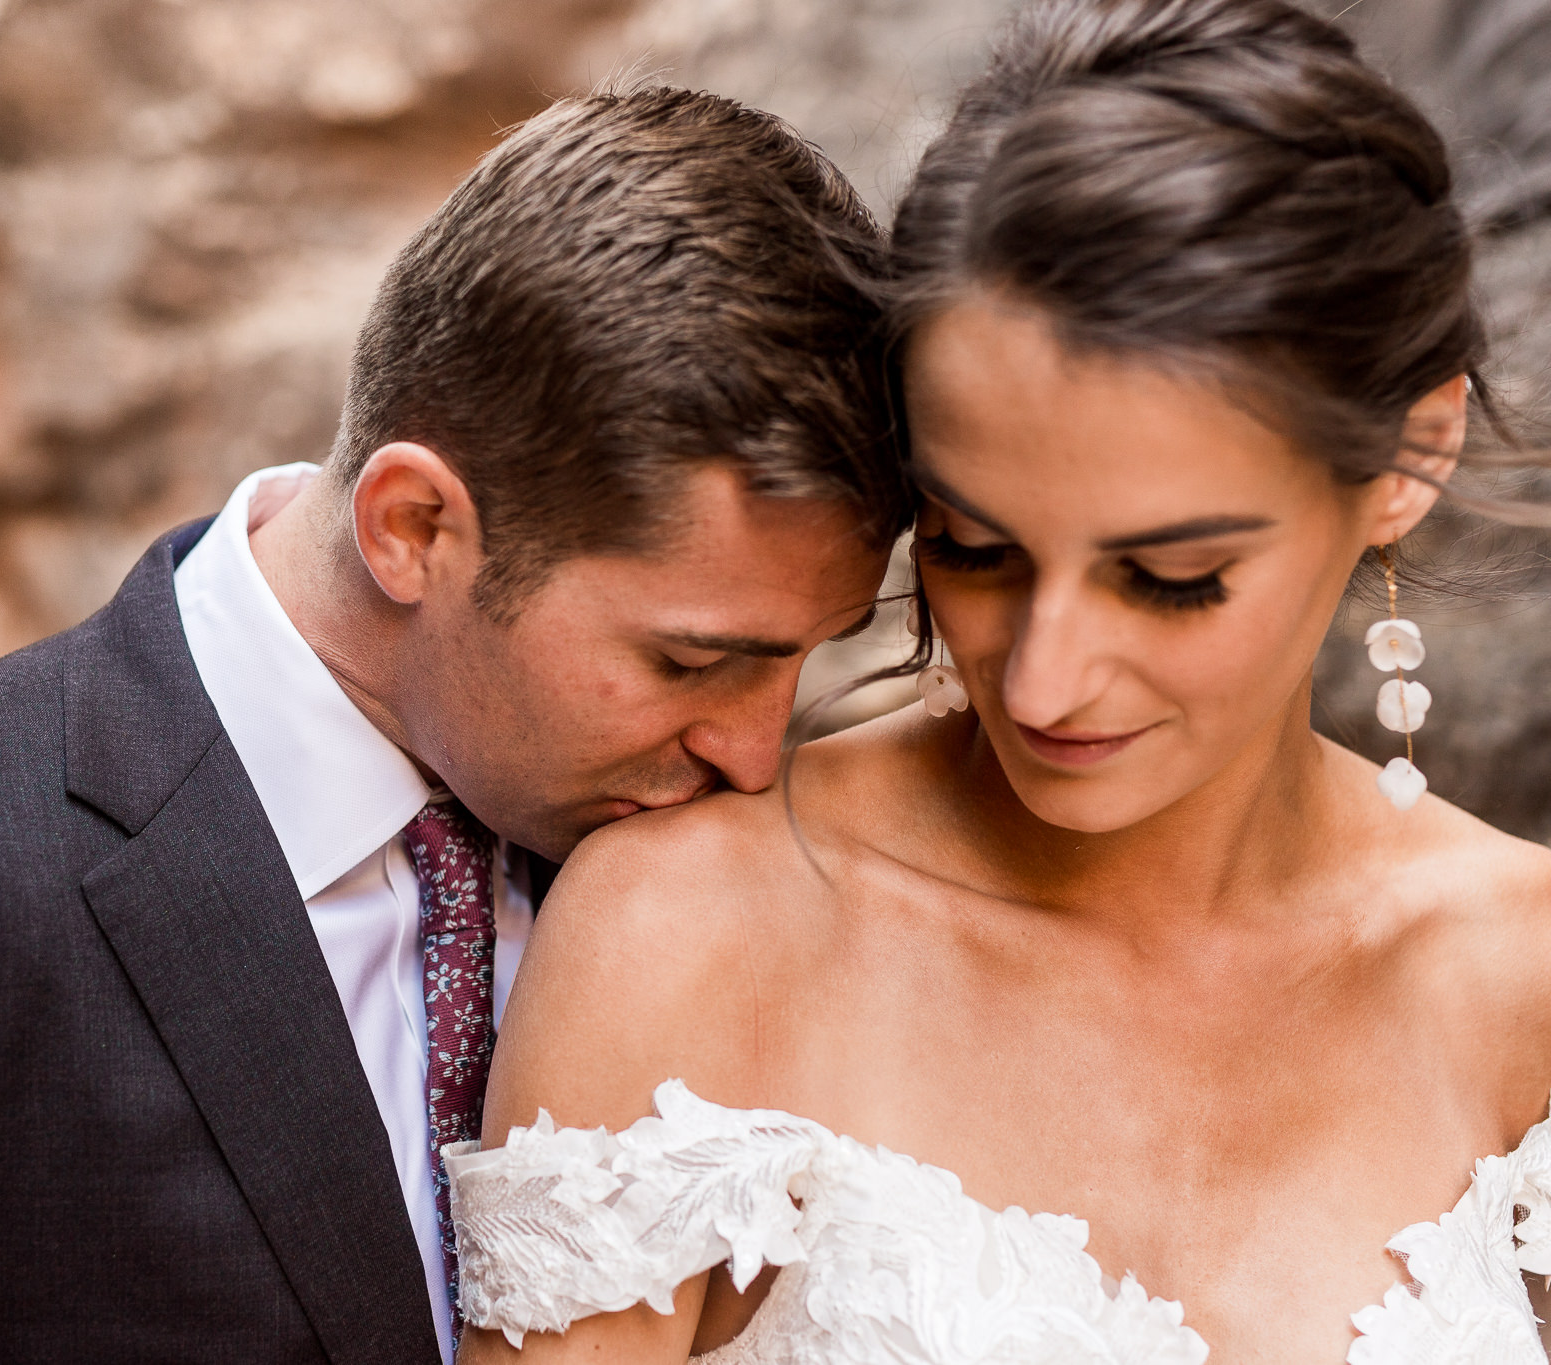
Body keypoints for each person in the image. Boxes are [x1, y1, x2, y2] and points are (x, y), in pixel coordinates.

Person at [0, 89, 905, 1364]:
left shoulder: (749, 874)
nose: (753, 748)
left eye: (801, 660)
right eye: (691, 660)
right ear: (415, 526)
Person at [451, 2, 1551, 1362]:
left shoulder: (1522, 981)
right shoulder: (696, 934)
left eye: (1170, 574)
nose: (1042, 679)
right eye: (973, 550)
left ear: (1407, 458)